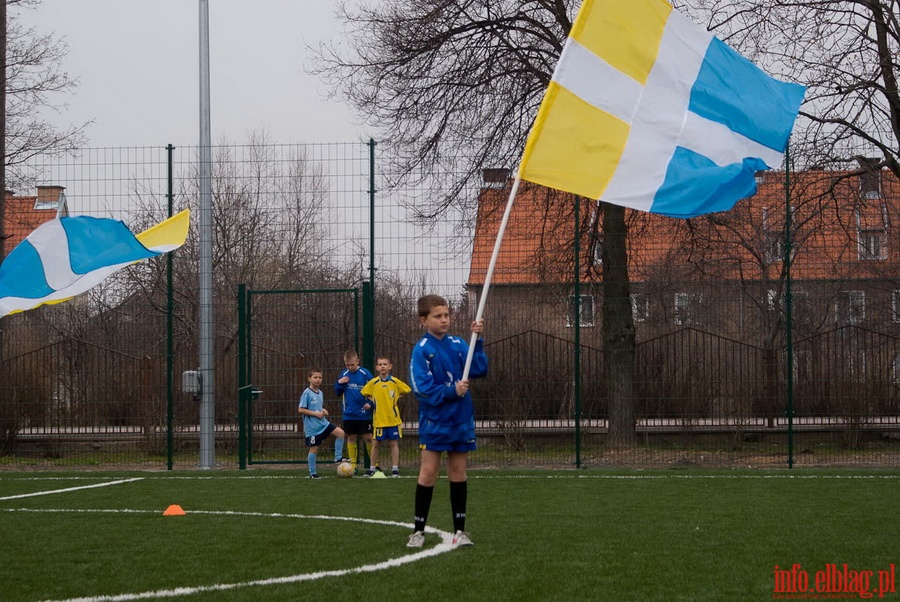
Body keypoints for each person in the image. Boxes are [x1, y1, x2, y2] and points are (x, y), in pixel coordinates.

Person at [406, 294, 488, 548]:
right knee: (429, 472)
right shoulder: (422, 350)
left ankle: (460, 531)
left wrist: (478, 341)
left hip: (461, 419)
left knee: (458, 473)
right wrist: (452, 391)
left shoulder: (459, 343)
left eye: (446, 315)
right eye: (438, 316)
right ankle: (418, 531)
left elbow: (478, 369)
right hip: (435, 421)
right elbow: (422, 388)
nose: (444, 320)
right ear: (424, 320)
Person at [361, 355, 411, 478]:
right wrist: (372, 402)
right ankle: (372, 468)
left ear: (390, 366)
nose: (383, 366)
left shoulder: (394, 381)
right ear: (377, 367)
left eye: (385, 364)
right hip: (379, 419)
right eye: (380, 364)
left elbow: (406, 390)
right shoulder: (373, 383)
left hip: (393, 419)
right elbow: (364, 393)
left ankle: (395, 469)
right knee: (376, 444)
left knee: (393, 443)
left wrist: (395, 399)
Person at [298, 368, 346, 479]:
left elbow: (316, 407)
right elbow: (301, 409)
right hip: (313, 428)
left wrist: (322, 410)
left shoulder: (320, 393)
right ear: (309, 379)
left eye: (320, 377)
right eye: (315, 377)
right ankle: (312, 473)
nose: (318, 380)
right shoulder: (307, 393)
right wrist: (316, 414)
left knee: (341, 433)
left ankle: (338, 457)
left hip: (323, 424)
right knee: (314, 448)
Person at [334, 349, 375, 475]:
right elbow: (337, 392)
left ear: (358, 361)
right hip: (349, 414)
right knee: (351, 438)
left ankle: (375, 465)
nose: (350, 367)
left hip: (363, 413)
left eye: (352, 364)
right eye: (347, 365)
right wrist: (339, 383)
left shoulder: (365, 374)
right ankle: (353, 466)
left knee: (368, 437)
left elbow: (374, 391)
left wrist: (371, 403)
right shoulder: (344, 374)